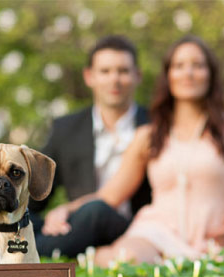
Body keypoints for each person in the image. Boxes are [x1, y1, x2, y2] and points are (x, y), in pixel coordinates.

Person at [61, 35, 224, 265]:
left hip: (213, 240)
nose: (188, 73)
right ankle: (91, 260)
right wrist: (65, 210)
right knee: (125, 259)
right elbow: (110, 195)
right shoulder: (148, 135)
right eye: (179, 66)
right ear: (168, 76)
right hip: (156, 233)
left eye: (198, 65)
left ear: (210, 74)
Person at [29, 35, 151, 258]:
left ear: (137, 76)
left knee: (96, 211)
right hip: (76, 229)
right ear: (89, 76)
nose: (114, 79)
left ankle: (25, 250)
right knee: (25, 221)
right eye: (105, 71)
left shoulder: (155, 127)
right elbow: (38, 193)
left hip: (134, 230)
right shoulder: (66, 128)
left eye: (123, 71)